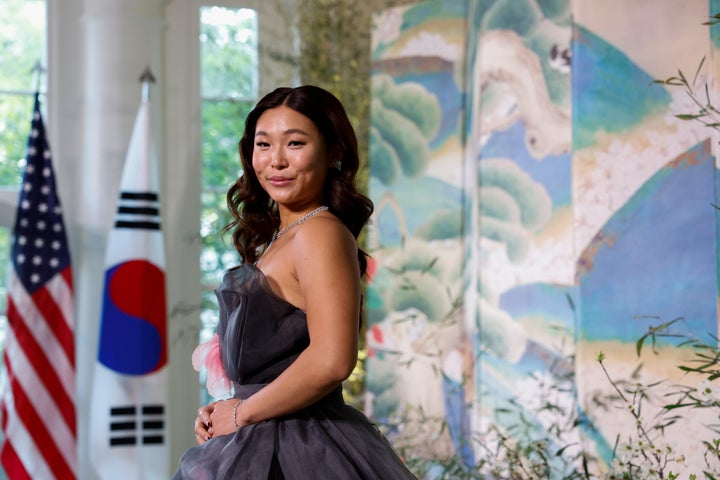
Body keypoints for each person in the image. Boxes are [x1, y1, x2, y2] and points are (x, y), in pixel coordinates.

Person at [173, 85, 418, 479]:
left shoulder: (319, 233)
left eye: (296, 143)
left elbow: (332, 360)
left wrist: (240, 412)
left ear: (333, 151)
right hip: (264, 438)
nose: (277, 161)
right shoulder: (282, 236)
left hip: (303, 450)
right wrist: (227, 408)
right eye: (264, 145)